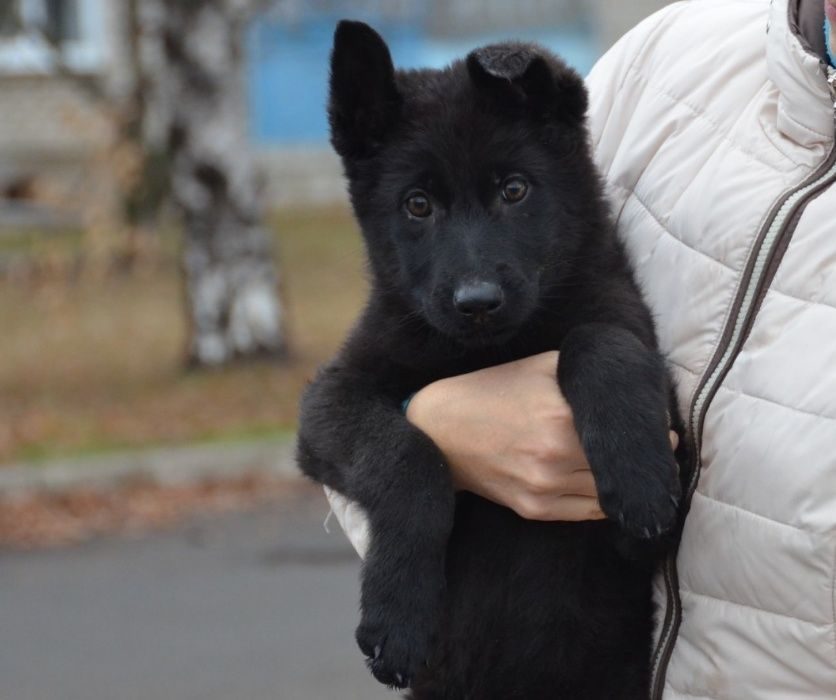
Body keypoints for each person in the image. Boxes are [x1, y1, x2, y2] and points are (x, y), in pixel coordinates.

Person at [325, 0, 836, 696]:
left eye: (511, 191)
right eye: (421, 208)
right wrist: (430, 436)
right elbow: (334, 419)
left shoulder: (596, 311)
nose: (474, 280)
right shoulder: (673, 67)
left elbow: (650, 525)